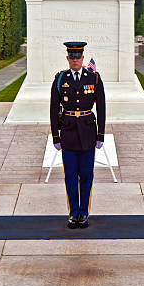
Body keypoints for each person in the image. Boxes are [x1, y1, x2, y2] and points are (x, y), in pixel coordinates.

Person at [50, 42, 106, 229]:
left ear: (83, 58)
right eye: (72, 57)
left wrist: (100, 135)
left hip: (88, 132)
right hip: (68, 133)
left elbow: (102, 108)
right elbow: (53, 110)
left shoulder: (94, 78)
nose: (75, 60)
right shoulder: (60, 79)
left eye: (78, 57)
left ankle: (84, 213)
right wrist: (56, 136)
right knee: (70, 175)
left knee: (87, 175)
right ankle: (73, 213)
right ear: (68, 58)